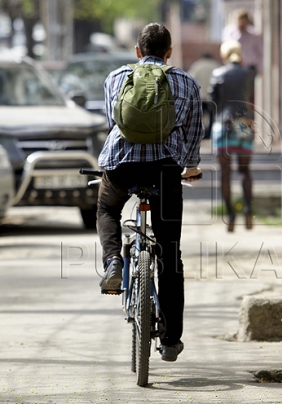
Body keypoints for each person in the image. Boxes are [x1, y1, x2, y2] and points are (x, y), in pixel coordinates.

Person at [96, 23, 203, 362]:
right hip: (165, 169)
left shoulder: (116, 78)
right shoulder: (186, 82)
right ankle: (171, 340)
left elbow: (113, 122)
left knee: (108, 210)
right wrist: (190, 166)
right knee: (170, 253)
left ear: (138, 52)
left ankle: (114, 261)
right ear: (169, 52)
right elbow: (194, 132)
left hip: (122, 164)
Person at [209, 40, 256, 232]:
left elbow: (213, 102)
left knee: (225, 173)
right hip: (243, 123)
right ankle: (248, 209)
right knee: (245, 171)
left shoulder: (218, 74)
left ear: (224, 55)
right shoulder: (249, 73)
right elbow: (249, 97)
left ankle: (230, 215)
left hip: (223, 123)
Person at [187, 52, 220, 140]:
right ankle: (210, 134)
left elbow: (190, 79)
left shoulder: (197, 65)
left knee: (199, 117)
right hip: (212, 97)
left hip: (199, 96)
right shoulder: (216, 66)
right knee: (212, 117)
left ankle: (200, 134)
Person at [222, 8, 263, 74]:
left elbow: (259, 53)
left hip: (249, 67)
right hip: (234, 66)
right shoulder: (229, 32)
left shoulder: (254, 35)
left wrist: (260, 68)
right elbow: (226, 48)